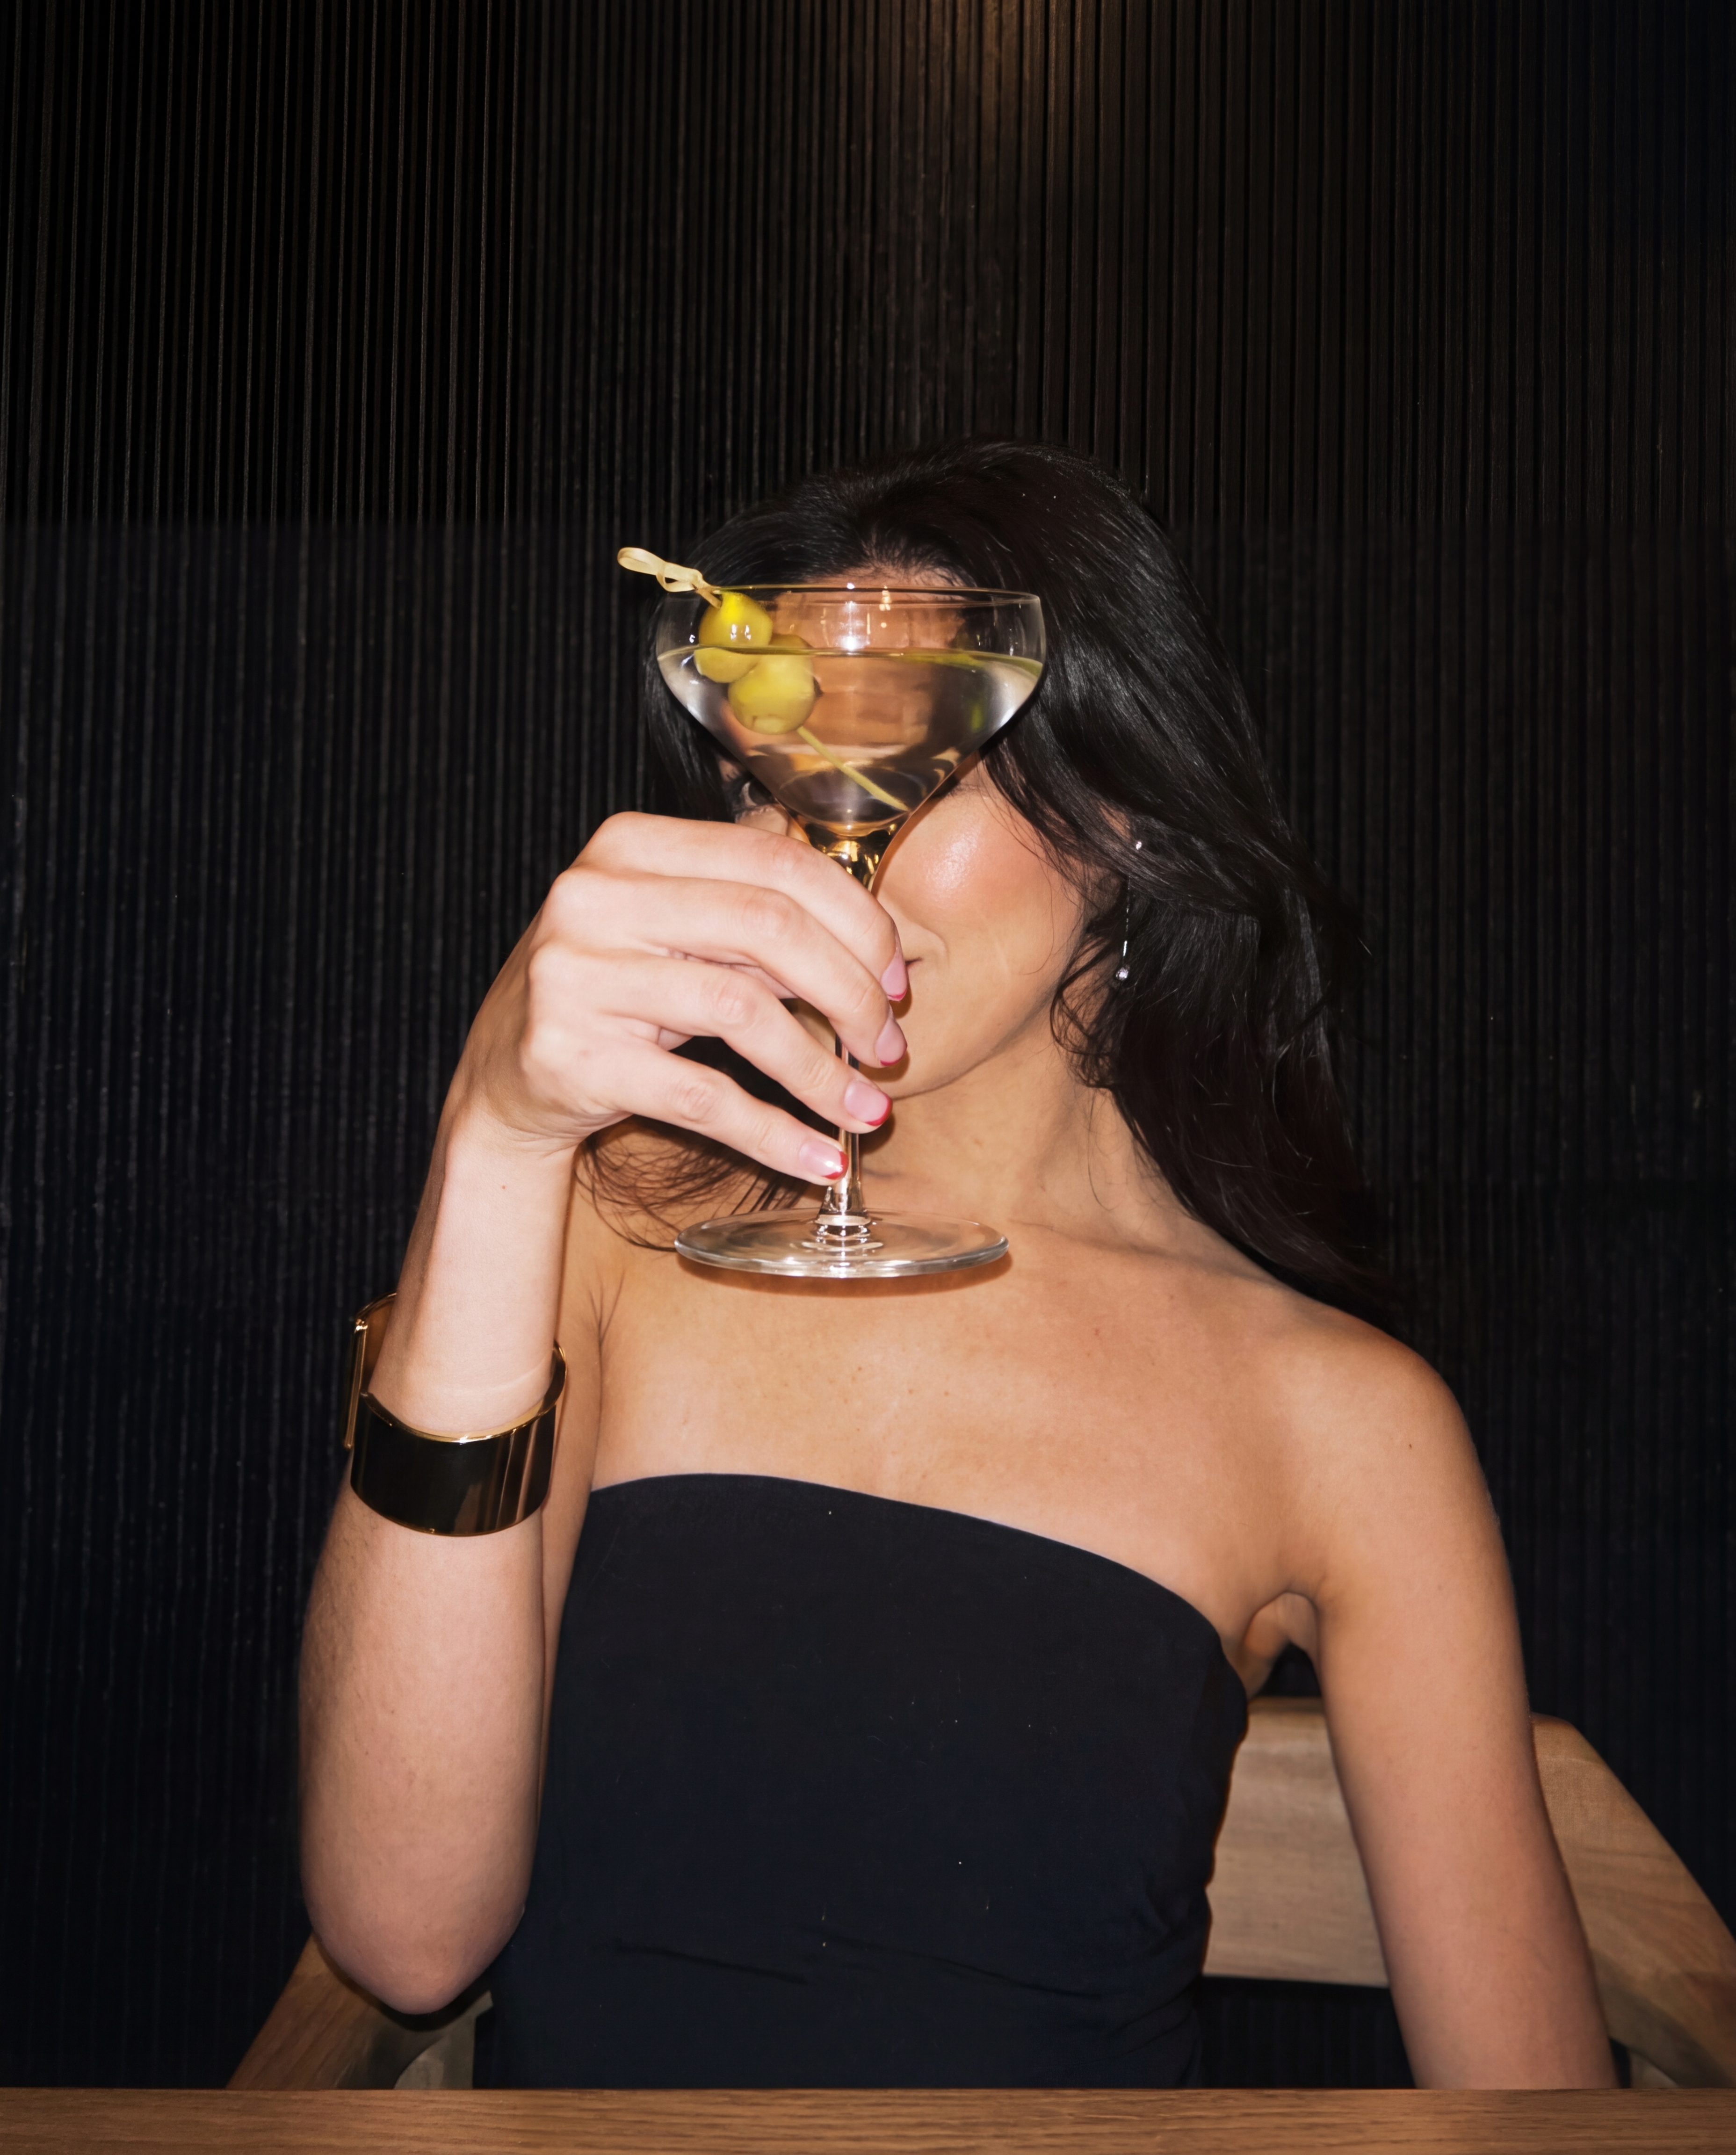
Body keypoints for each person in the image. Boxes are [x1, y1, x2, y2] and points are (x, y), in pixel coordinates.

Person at [298, 439, 1613, 2089]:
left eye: (909, 755)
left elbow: (1534, 2104)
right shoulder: (611, 1233)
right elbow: (401, 1926)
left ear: (1122, 811)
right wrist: (493, 1141)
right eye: (769, 768)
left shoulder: (1340, 1415)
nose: (818, 841)